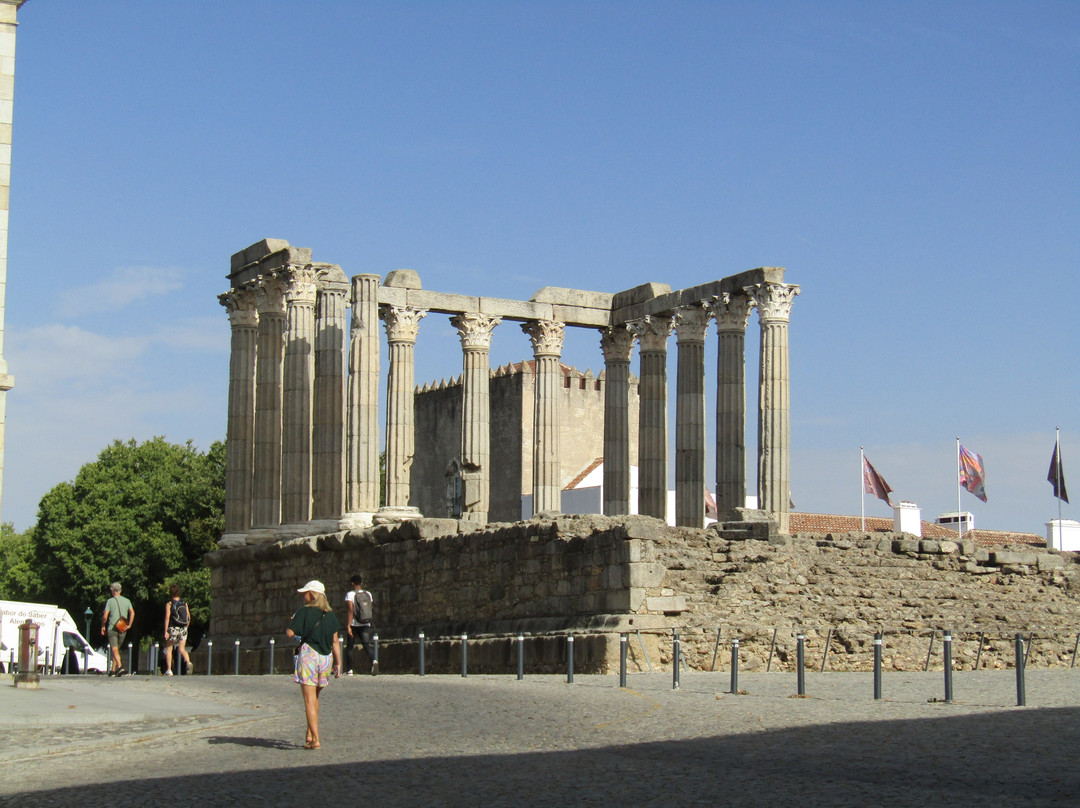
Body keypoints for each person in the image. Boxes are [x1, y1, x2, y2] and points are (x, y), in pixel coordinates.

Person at [286, 580, 341, 750]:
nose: (303, 595)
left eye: (306, 592)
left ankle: (315, 739)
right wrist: (339, 663)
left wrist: (294, 621)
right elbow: (335, 641)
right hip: (326, 658)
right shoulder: (331, 615)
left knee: (309, 700)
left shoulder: (303, 612)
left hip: (309, 656)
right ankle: (309, 734)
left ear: (313, 594)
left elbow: (290, 633)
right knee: (315, 697)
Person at [344, 573, 378, 675]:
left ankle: (349, 669)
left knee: (350, 646)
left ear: (352, 583)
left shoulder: (350, 594)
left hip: (354, 624)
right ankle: (374, 661)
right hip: (365, 623)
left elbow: (350, 610)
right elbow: (369, 608)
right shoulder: (368, 593)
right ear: (361, 583)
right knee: (366, 645)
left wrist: (348, 625)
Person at [100, 582, 134, 676]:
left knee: (114, 649)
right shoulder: (127, 601)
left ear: (112, 590)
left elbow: (105, 616)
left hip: (112, 628)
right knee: (117, 649)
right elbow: (132, 612)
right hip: (123, 627)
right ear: (120, 590)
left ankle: (120, 666)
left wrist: (103, 625)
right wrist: (130, 624)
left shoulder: (110, 601)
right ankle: (112, 670)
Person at [163, 583, 192, 676]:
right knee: (182, 648)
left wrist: (166, 630)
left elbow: (167, 617)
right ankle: (188, 662)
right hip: (183, 628)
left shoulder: (170, 603)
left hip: (173, 627)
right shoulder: (184, 603)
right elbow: (188, 617)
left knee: (169, 648)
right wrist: (186, 627)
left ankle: (169, 670)